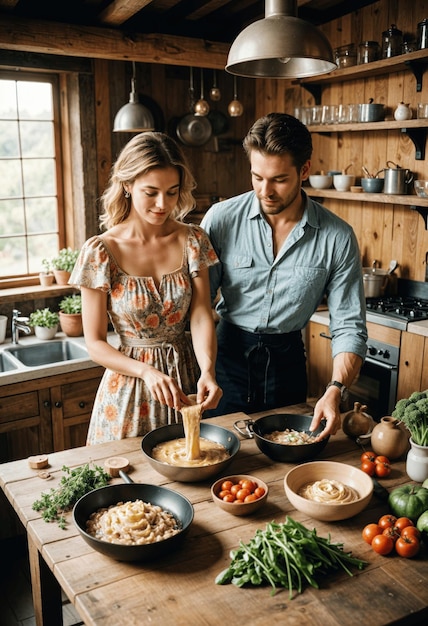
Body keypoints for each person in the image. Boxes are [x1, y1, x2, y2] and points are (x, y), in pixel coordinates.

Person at [201, 112, 367, 440]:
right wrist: (203, 368)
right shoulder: (220, 220)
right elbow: (197, 306)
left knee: (287, 459)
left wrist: (335, 390)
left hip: (287, 364)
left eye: (278, 179)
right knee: (221, 457)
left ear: (304, 170)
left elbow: (349, 325)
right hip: (225, 361)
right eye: (257, 177)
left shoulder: (338, 236)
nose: (266, 191)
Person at [70, 131, 222, 445]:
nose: (162, 204)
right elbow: (95, 343)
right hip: (129, 387)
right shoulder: (100, 251)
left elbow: (201, 314)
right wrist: (146, 372)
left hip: (185, 381)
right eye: (150, 192)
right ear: (127, 185)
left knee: (190, 467)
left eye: (172, 192)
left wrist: (207, 370)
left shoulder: (193, 240)